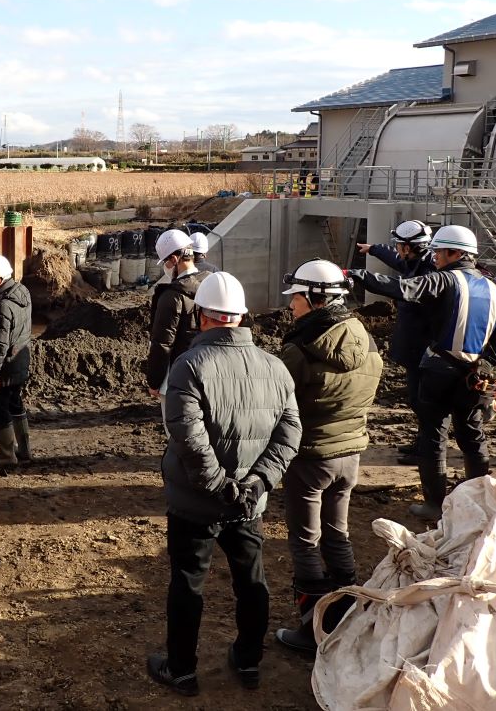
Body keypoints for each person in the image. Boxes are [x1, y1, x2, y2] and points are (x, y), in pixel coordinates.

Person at [147, 271, 301, 697]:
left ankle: (181, 670)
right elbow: (289, 435)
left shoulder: (189, 365)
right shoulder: (275, 367)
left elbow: (187, 433)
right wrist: (258, 482)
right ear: (241, 317)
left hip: (195, 503)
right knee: (251, 581)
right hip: (249, 504)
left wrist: (217, 484)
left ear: (202, 318)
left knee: (188, 582)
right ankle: (248, 660)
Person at [349, 225, 496, 521]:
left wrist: (355, 275)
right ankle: (478, 503)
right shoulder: (493, 289)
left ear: (456, 254)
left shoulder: (445, 280)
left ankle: (435, 506)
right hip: (474, 377)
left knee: (432, 435)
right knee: (472, 436)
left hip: (440, 370)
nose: (435, 256)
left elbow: (404, 288)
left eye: (440, 252)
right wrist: (487, 363)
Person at [274, 260, 383, 654]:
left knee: (305, 541)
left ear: (316, 299)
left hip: (310, 456)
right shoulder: (365, 340)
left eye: (297, 298)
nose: (292, 306)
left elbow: (279, 403)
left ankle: (312, 629)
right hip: (350, 453)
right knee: (338, 533)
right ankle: (347, 611)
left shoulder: (300, 349)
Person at [356, 220, 436, 465]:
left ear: (411, 247)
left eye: (401, 245)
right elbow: (397, 260)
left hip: (425, 348)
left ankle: (428, 449)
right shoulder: (417, 262)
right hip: (415, 347)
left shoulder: (428, 272)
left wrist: (358, 275)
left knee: (425, 402)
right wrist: (373, 249)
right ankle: (423, 442)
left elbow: (396, 287)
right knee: (417, 399)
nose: (398, 249)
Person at [0, 255, 33, 466]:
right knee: (15, 403)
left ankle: (6, 454)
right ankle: (24, 450)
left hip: (5, 368)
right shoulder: (22, 292)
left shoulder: (1, 306)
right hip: (20, 362)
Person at [147, 230, 206, 398]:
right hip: (208, 372)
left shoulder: (172, 296)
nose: (165, 266)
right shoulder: (209, 283)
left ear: (174, 259)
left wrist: (154, 382)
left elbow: (162, 344)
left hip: (177, 378)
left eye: (166, 261)